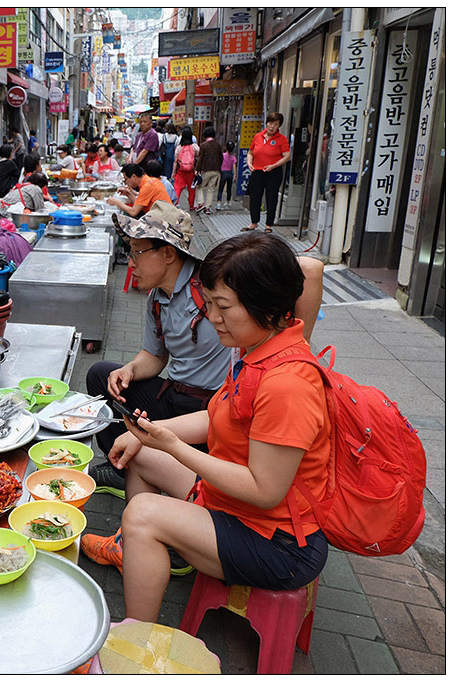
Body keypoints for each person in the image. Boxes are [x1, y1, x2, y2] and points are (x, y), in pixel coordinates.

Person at [81, 232, 331, 624]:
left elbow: (265, 491)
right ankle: (137, 550)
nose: (212, 316)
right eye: (210, 304)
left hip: (277, 543)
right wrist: (148, 434)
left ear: (264, 305)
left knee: (143, 513)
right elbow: (216, 417)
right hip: (237, 509)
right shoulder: (257, 353)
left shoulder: (288, 384)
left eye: (223, 306)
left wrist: (175, 447)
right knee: (141, 455)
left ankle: (134, 637)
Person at [86, 204, 325, 494]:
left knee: (149, 486)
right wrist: (129, 370)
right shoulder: (156, 299)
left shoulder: (217, 284)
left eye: (137, 252)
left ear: (169, 253)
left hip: (214, 403)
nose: (213, 317)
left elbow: (310, 269)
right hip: (181, 397)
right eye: (211, 307)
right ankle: (122, 470)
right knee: (102, 375)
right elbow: (156, 355)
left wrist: (300, 345)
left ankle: (154, 475)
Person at [245, 112, 291, 232]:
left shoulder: (282, 140)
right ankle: (254, 222)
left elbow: (287, 156)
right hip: (257, 171)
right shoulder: (257, 136)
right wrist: (249, 163)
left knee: (271, 197)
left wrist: (274, 165)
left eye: (275, 124)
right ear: (266, 123)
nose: (272, 126)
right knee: (255, 197)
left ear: (279, 126)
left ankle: (268, 225)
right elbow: (250, 153)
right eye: (270, 123)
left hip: (273, 172)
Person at [195, 126, 223, 215]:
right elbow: (221, 158)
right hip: (216, 170)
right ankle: (207, 208)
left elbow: (200, 159)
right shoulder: (218, 146)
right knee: (211, 189)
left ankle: (201, 203)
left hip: (206, 170)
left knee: (199, 186)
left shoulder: (203, 146)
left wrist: (197, 169)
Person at [172, 127, 199, 211]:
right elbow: (198, 157)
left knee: (177, 188)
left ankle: (175, 203)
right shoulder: (195, 147)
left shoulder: (179, 147)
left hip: (181, 171)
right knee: (191, 189)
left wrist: (173, 172)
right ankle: (191, 205)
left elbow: (175, 161)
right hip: (191, 171)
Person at [217, 141, 238, 210]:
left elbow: (219, 163)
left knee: (221, 188)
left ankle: (218, 203)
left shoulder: (222, 155)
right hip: (229, 173)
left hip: (223, 173)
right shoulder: (233, 157)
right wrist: (235, 175)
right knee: (229, 189)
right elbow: (234, 166)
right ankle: (228, 202)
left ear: (226, 147)